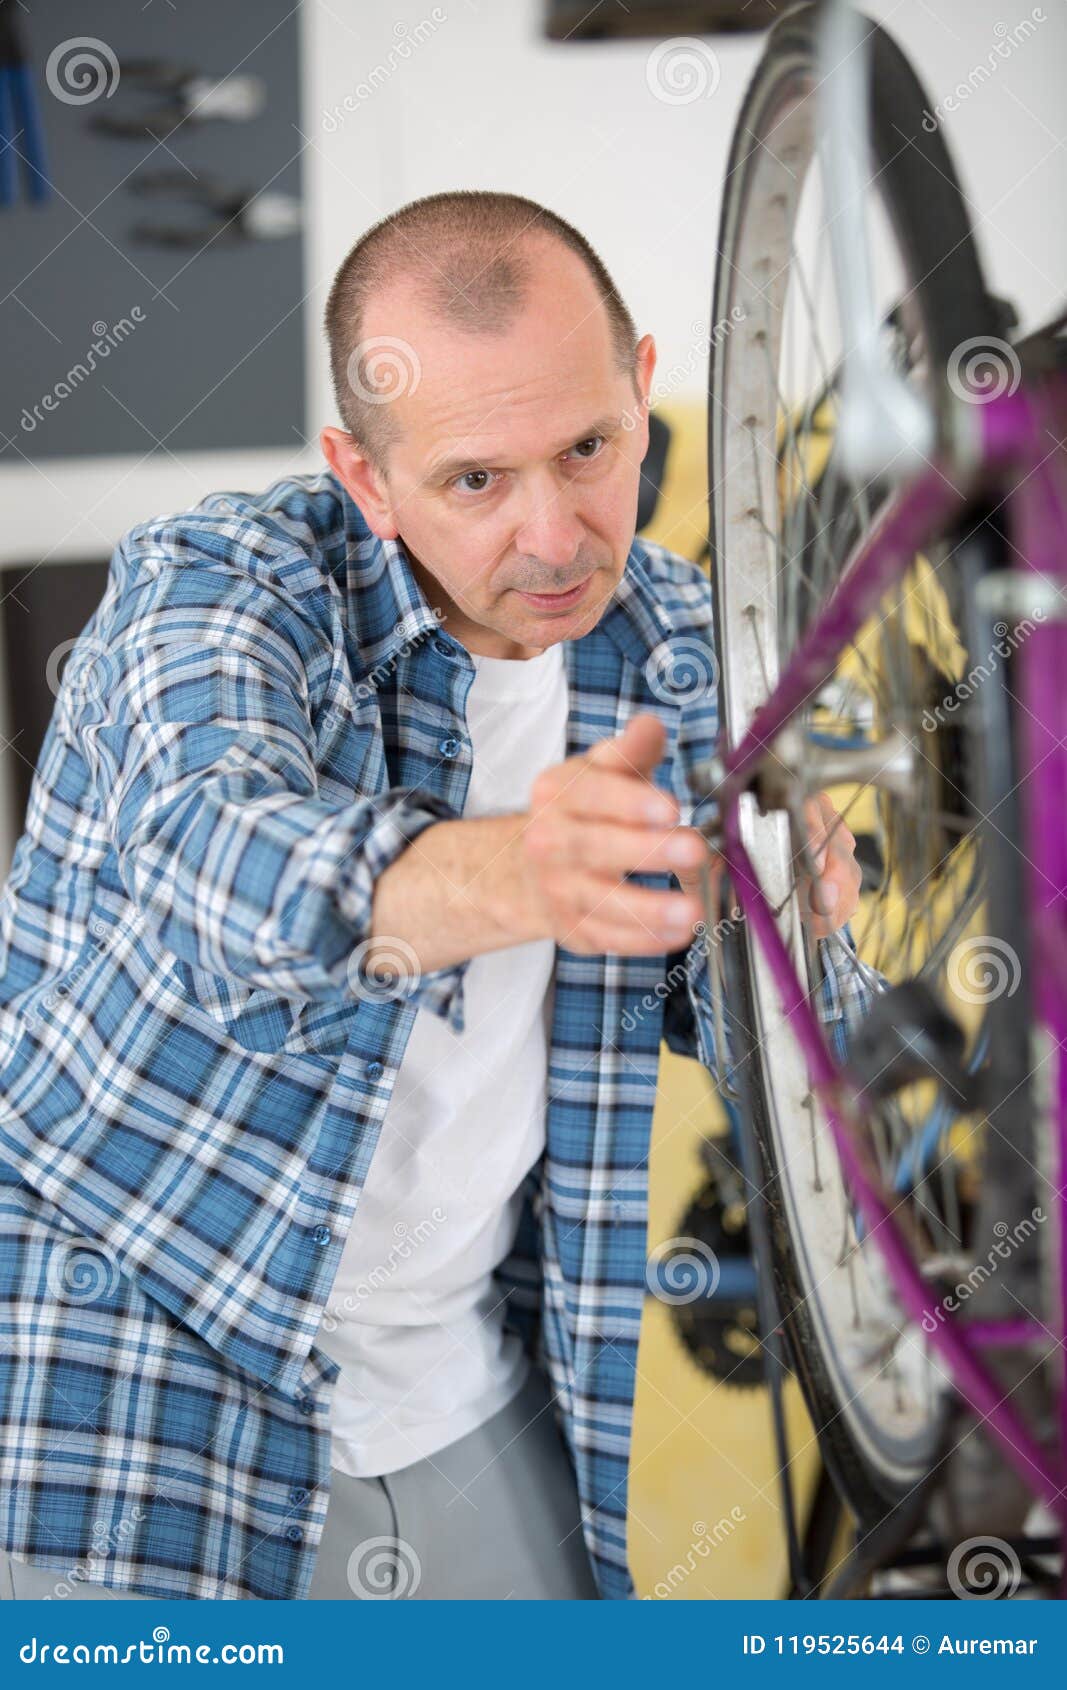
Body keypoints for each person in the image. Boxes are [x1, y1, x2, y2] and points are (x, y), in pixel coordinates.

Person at [0, 190, 862, 1602]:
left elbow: (782, 1044)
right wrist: (529, 864)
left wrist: (806, 933)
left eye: (591, 447)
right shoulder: (215, 586)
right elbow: (218, 871)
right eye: (475, 480)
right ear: (364, 472)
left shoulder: (680, 643)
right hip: (119, 1384)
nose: (556, 536)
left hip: (473, 1399)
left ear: (642, 387)